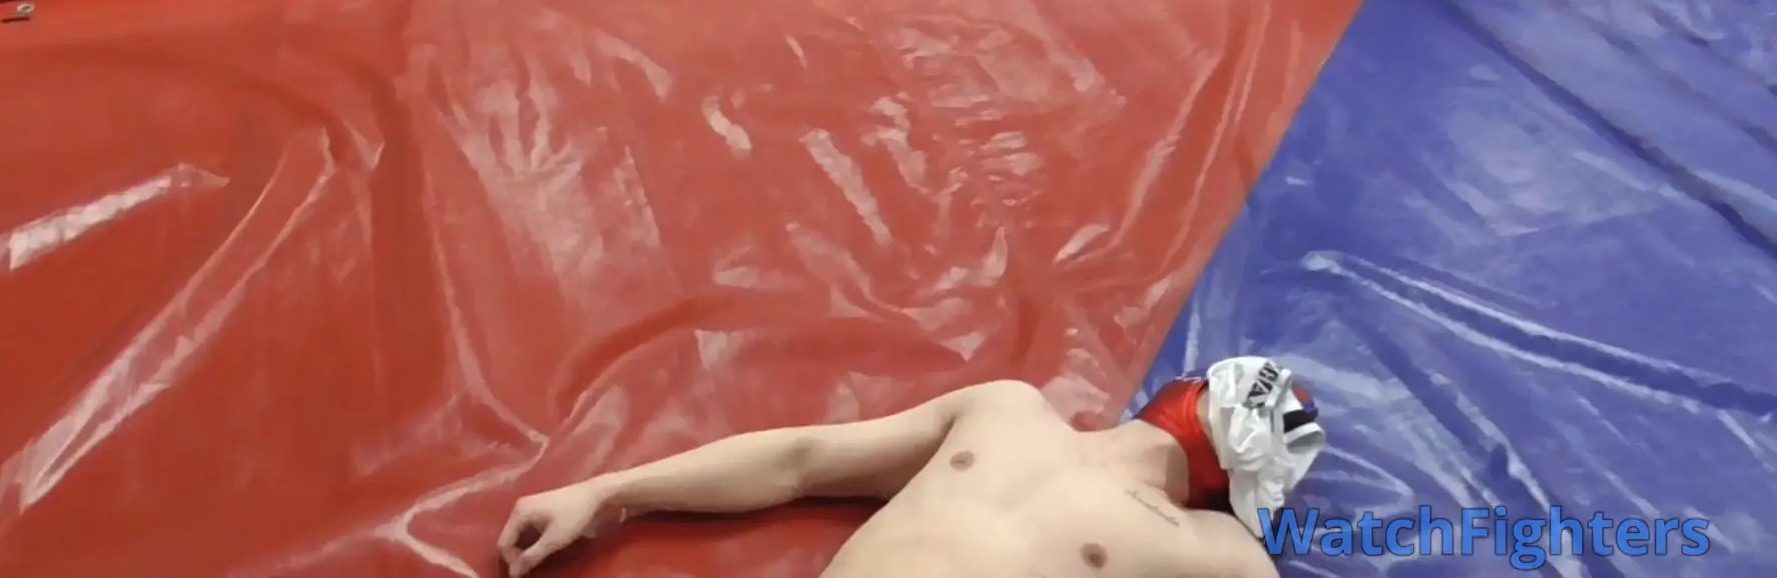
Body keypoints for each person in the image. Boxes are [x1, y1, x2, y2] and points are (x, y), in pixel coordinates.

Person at [498, 356, 1326, 578]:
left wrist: (610, 489)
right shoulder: (1007, 409)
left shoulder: (1215, 551)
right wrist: (607, 492)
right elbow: (802, 461)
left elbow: (798, 463)